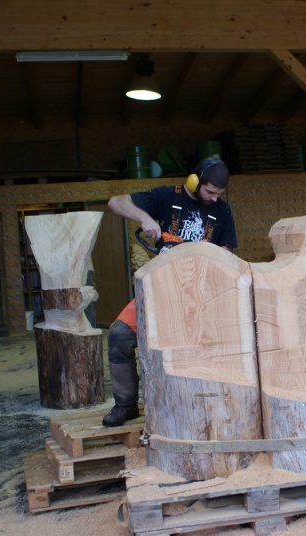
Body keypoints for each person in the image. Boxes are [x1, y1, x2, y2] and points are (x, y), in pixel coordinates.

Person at [101, 157, 238, 427]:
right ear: (194, 180)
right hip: (160, 289)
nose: (213, 198)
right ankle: (125, 405)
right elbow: (116, 202)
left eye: (218, 194)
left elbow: (227, 251)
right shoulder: (167, 197)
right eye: (210, 191)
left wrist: (204, 255)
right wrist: (145, 218)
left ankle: (206, 405)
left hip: (200, 294)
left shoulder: (221, 210)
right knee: (119, 336)